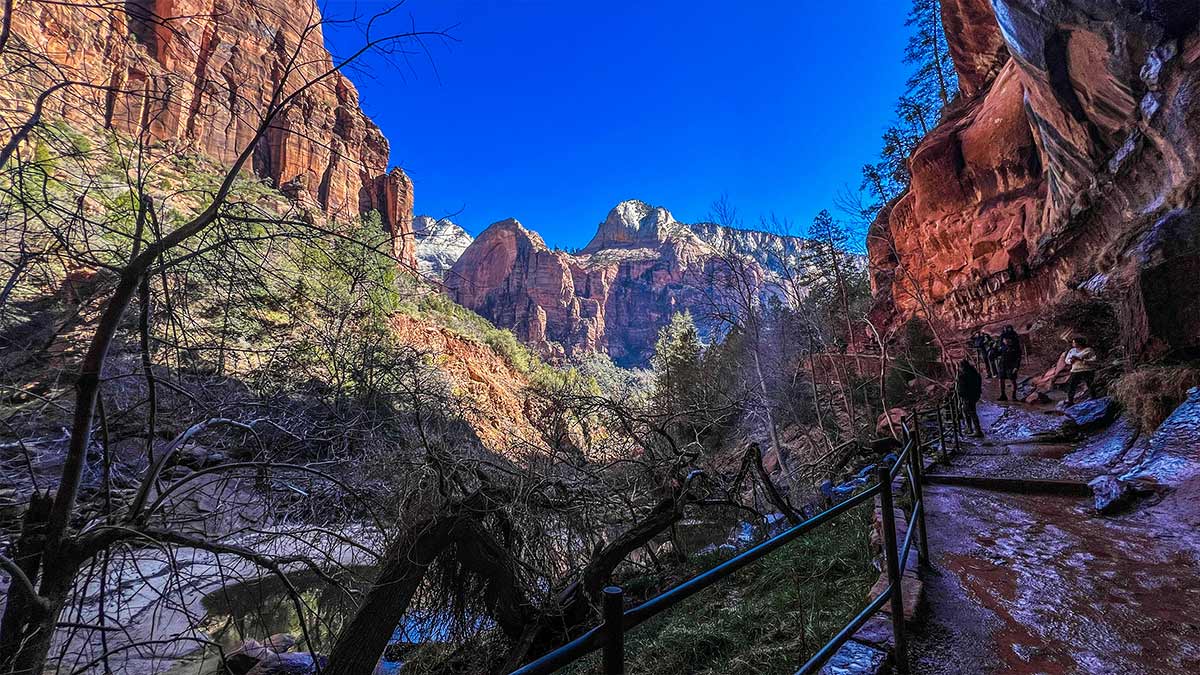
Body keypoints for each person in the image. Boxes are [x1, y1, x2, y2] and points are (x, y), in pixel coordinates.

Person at [1064, 336, 1100, 406]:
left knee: (1090, 384)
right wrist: (1071, 361)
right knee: (1072, 386)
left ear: (1079, 343)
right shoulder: (1072, 351)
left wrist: (1082, 360)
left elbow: (1094, 360)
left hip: (1087, 370)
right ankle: (1070, 400)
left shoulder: (1089, 350)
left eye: (1074, 342)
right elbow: (1066, 360)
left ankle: (1093, 398)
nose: (1073, 344)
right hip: (1075, 370)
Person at [956, 359, 984, 437]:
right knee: (966, 411)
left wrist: (961, 394)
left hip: (967, 396)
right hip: (975, 395)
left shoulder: (963, 375)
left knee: (971, 412)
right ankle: (969, 428)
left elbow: (961, 388)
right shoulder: (974, 373)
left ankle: (978, 430)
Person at [996, 325, 1022, 401]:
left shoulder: (1015, 347)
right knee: (1001, 379)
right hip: (1003, 364)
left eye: (1007, 339)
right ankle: (1003, 395)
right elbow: (997, 354)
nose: (1005, 341)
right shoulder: (1002, 346)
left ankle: (1014, 396)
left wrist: (1016, 367)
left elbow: (1018, 357)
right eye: (1004, 340)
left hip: (1011, 364)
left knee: (1013, 380)